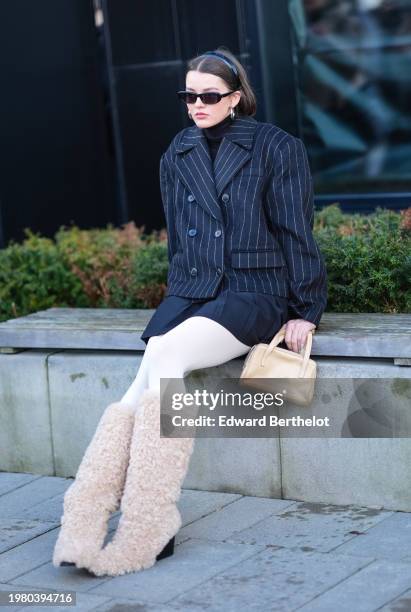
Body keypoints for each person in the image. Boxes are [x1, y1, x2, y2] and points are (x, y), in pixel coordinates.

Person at [52, 47, 327, 578]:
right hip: (195, 292)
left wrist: (306, 308)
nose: (197, 104)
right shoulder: (178, 152)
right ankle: (84, 521)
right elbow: (180, 242)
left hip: (256, 291)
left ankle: (151, 521)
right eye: (189, 95)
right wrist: (178, 300)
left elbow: (297, 232)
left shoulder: (276, 147)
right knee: (142, 381)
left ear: (236, 97)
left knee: (168, 350)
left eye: (209, 95)